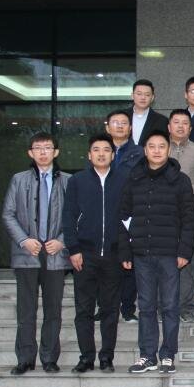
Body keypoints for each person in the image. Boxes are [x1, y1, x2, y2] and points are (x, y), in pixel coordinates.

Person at [120, 130, 194, 374]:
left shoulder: (180, 180)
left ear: (168, 150)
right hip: (142, 253)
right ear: (145, 150)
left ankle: (168, 355)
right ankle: (147, 355)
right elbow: (122, 217)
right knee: (146, 306)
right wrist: (125, 252)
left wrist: (184, 251)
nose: (156, 150)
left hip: (170, 254)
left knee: (170, 306)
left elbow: (189, 219)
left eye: (161, 146)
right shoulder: (134, 178)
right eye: (151, 146)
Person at [2, 132, 71, 375]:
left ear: (56, 152)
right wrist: (24, 240)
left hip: (54, 254)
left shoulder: (68, 181)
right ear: (30, 153)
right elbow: (8, 214)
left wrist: (61, 241)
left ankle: (49, 358)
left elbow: (77, 217)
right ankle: (25, 358)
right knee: (26, 310)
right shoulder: (19, 179)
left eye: (48, 147)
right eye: (38, 148)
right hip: (27, 253)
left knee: (53, 310)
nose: (43, 152)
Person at [62, 132, 126, 373]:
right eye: (96, 150)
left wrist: (125, 251)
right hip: (84, 255)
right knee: (84, 309)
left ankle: (107, 357)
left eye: (106, 150)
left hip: (113, 255)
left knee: (110, 309)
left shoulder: (124, 180)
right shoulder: (77, 181)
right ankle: (86, 357)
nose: (101, 154)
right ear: (89, 155)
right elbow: (68, 217)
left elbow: (129, 218)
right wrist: (73, 249)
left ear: (113, 155)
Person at [105, 109, 144, 322]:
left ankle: (128, 308)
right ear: (107, 127)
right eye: (115, 122)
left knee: (129, 262)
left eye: (124, 123)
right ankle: (105, 306)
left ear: (130, 128)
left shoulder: (139, 153)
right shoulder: (100, 150)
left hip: (130, 212)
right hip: (104, 213)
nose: (119, 126)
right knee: (106, 263)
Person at [167, 109, 194, 323]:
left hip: (190, 216)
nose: (180, 126)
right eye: (176, 122)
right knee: (164, 265)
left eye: (185, 123)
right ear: (169, 126)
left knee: (188, 264)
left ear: (190, 128)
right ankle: (165, 307)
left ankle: (186, 308)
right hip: (163, 217)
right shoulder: (158, 148)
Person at [130, 79, 169, 146]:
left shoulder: (162, 121)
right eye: (139, 94)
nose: (143, 97)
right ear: (132, 95)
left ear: (152, 98)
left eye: (147, 95)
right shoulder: (122, 116)